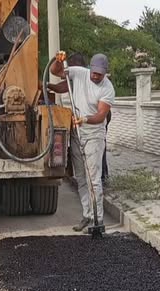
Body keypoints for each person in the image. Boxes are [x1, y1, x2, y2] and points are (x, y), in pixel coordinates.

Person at [50, 51, 115, 233]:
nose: (95, 76)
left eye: (100, 74)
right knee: (80, 178)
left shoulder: (107, 89)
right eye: (94, 72)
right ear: (90, 68)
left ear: (105, 72)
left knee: (93, 178)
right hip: (77, 134)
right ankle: (87, 215)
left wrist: (85, 119)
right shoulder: (79, 73)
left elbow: (101, 115)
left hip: (94, 134)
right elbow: (56, 71)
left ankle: (98, 220)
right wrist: (58, 60)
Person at [46, 53, 110, 184]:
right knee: (98, 146)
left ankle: (100, 176)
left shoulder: (83, 76)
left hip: (98, 116)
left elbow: (61, 87)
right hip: (95, 116)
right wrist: (47, 84)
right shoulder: (82, 75)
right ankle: (100, 174)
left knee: (97, 146)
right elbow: (60, 84)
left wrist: (47, 85)